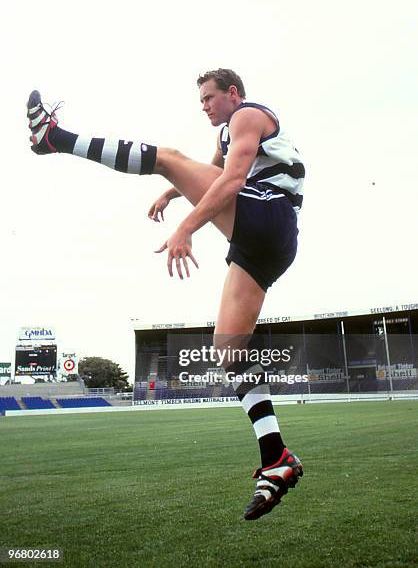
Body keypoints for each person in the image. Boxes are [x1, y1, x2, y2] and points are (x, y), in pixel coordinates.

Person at [26, 68, 305, 520]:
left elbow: (231, 181)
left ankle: (54, 137)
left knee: (166, 154)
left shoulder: (248, 116)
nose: (205, 106)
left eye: (210, 98)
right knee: (228, 349)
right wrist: (173, 194)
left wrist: (184, 228)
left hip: (268, 215)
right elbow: (214, 171)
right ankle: (277, 459)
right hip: (268, 242)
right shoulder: (227, 135)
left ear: (233, 94)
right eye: (201, 101)